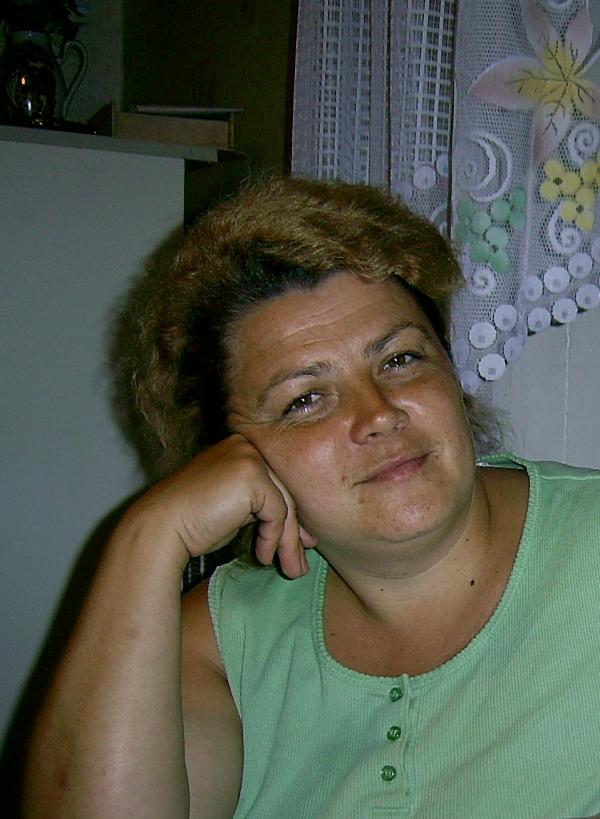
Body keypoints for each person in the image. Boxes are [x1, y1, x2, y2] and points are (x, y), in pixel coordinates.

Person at [22, 177, 600, 819]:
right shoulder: (225, 640)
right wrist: (149, 537)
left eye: (400, 360)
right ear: (230, 459)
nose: (378, 414)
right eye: (305, 399)